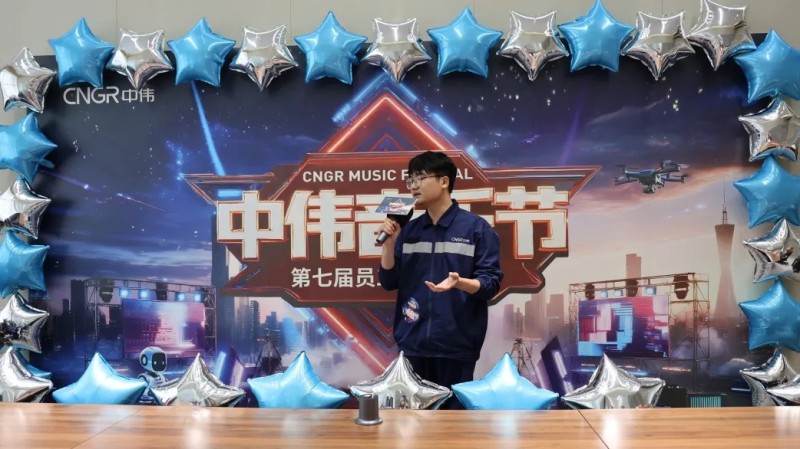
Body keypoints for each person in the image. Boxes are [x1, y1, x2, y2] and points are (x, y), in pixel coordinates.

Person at [378, 151, 503, 410]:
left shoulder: (476, 229)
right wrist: (389, 244)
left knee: (452, 425)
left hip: (456, 344)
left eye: (420, 179)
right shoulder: (409, 230)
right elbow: (389, 281)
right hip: (412, 343)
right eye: (410, 180)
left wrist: (460, 282)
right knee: (413, 423)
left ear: (444, 181)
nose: (413, 186)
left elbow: (490, 284)